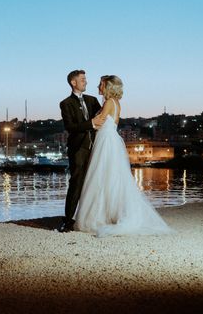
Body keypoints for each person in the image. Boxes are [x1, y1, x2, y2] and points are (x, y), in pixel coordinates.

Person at [74, 75, 174, 236]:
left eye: (101, 84)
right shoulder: (115, 102)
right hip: (109, 139)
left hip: (106, 141)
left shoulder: (108, 102)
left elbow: (98, 121)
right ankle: (108, 213)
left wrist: (81, 122)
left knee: (101, 176)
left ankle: (99, 216)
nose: (98, 86)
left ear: (107, 86)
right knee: (110, 177)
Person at [57, 70, 104, 233]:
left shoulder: (93, 100)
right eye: (83, 79)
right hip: (78, 149)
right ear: (73, 82)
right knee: (76, 182)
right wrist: (91, 123)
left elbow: (103, 118)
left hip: (96, 147)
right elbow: (70, 127)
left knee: (96, 182)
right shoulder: (65, 103)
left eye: (86, 79)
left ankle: (94, 217)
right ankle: (68, 220)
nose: (86, 82)